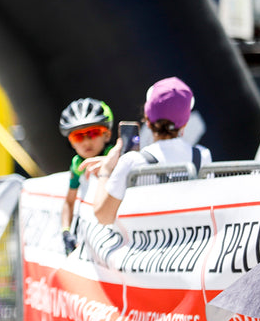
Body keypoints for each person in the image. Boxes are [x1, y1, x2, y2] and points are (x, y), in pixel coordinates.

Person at [89, 77, 212, 226]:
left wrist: (106, 170)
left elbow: (104, 216)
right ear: (185, 123)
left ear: (147, 120)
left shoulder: (132, 161)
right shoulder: (202, 156)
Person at [56, 98, 114, 255]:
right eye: (78, 137)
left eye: (93, 133)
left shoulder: (115, 155)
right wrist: (66, 232)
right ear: (71, 142)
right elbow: (69, 202)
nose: (86, 141)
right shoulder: (77, 165)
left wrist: (111, 164)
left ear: (107, 135)